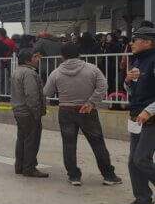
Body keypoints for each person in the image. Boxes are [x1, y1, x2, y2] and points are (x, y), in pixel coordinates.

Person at [44, 43, 122, 187]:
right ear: (79, 54)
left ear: (62, 57)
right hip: (87, 111)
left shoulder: (56, 73)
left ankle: (74, 176)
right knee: (98, 144)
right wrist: (91, 102)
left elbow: (47, 92)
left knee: (69, 144)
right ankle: (109, 176)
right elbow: (103, 86)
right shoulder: (92, 69)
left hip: (66, 111)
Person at [120, 27, 155, 204]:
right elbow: (133, 91)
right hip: (136, 117)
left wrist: (148, 111)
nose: (131, 43)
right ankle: (143, 201)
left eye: (135, 40)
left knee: (142, 159)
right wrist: (127, 80)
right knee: (134, 162)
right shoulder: (139, 61)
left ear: (148, 42)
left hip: (150, 118)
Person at [11, 50, 48, 178]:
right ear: (27, 60)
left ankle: (20, 166)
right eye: (35, 57)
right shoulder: (29, 73)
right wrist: (36, 112)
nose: (38, 59)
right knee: (32, 140)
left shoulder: (18, 71)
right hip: (28, 112)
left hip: (19, 111)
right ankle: (29, 168)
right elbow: (32, 95)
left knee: (22, 139)